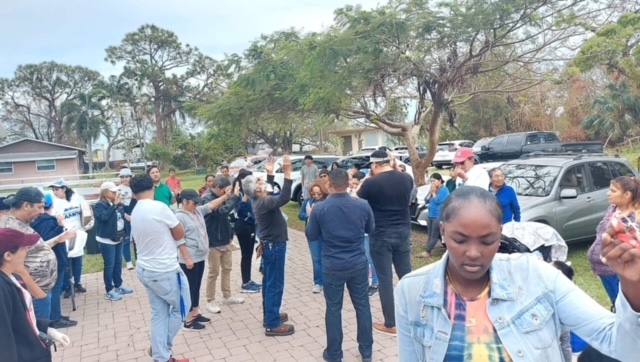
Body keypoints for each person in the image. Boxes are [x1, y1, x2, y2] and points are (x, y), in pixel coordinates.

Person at [395, 186, 640, 361]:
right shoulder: (412, 290)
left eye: (487, 240)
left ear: (500, 233)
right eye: (460, 239)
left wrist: (632, 285)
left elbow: (624, 348)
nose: (473, 253)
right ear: (443, 231)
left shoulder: (537, 276)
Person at [305, 169, 375, 362]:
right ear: (348, 183)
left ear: (329, 184)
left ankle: (334, 353)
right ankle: (366, 351)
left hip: (333, 265)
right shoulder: (362, 205)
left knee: (334, 309)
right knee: (362, 306)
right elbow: (371, 229)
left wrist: (311, 217)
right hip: (358, 263)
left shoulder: (320, 208)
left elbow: (311, 236)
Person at [130, 174, 191, 362]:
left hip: (145, 269)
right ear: (153, 188)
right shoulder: (160, 207)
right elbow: (179, 232)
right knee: (182, 308)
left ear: (133, 193)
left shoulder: (135, 211)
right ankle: (160, 349)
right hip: (165, 270)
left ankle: (161, 356)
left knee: (159, 314)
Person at [356, 150, 413, 335]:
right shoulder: (406, 178)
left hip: (381, 234)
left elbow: (356, 199)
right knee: (407, 276)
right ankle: (414, 316)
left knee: (385, 279)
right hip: (404, 231)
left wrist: (367, 179)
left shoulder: (371, 182)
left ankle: (391, 323)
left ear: (374, 165)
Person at [1, 187, 75, 321]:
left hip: (40, 290)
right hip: (34, 293)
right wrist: (39, 294)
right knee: (40, 335)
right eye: (40, 207)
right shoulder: (11, 229)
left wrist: (58, 239)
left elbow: (34, 249)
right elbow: (14, 268)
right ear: (26, 206)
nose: (42, 212)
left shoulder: (21, 224)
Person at [0, 228, 71, 362]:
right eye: (23, 248)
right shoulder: (2, 288)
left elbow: (22, 317)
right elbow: (3, 337)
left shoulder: (14, 277)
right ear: (8, 255)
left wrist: (46, 329)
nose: (27, 250)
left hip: (35, 350)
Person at [242, 155, 294, 336]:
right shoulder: (264, 202)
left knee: (269, 282)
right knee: (275, 284)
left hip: (269, 246)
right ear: (256, 189)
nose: (262, 181)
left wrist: (270, 174)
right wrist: (287, 171)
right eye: (260, 181)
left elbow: (269, 193)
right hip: (275, 247)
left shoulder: (260, 200)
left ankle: (270, 315)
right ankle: (272, 324)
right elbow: (284, 196)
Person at [175, 189, 229, 331]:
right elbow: (179, 240)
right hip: (189, 258)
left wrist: (226, 196)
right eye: (193, 203)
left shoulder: (197, 211)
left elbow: (210, 205)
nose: (196, 205)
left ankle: (195, 313)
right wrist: (187, 258)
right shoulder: (179, 217)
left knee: (196, 286)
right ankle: (188, 320)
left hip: (199, 256)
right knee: (189, 289)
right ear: (185, 202)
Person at [588, 176, 640, 307]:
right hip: (604, 270)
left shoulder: (634, 219)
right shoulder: (613, 209)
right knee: (617, 304)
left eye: (613, 191)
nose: (608, 193)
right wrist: (595, 263)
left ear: (627, 194)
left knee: (627, 307)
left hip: (620, 272)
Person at [30, 194, 77, 328]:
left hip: (44, 260)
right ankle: (55, 319)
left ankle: (56, 315)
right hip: (54, 259)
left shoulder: (35, 221)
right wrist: (59, 225)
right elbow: (50, 238)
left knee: (54, 290)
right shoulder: (48, 221)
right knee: (55, 290)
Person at [202, 176, 243, 314]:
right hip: (213, 241)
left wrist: (230, 235)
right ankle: (210, 300)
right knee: (214, 272)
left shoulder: (224, 196)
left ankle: (227, 296)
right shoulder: (207, 198)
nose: (229, 193)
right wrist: (233, 197)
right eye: (227, 190)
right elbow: (221, 212)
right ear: (218, 188)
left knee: (227, 268)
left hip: (225, 238)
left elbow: (227, 214)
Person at [49, 178, 91, 299]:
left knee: (78, 258)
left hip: (79, 232)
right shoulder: (54, 203)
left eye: (57, 189)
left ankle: (77, 282)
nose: (55, 192)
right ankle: (67, 285)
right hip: (65, 235)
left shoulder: (76, 197)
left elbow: (86, 211)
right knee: (67, 260)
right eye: (53, 190)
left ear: (64, 189)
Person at [94, 181, 134, 301]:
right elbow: (105, 217)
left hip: (118, 237)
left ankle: (118, 285)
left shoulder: (116, 203)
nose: (116, 193)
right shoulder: (99, 205)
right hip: (106, 239)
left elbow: (123, 214)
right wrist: (114, 206)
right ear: (105, 192)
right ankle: (109, 290)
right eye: (112, 191)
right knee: (109, 264)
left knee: (118, 262)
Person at [233, 169, 262, 294]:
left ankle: (248, 280)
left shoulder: (249, 193)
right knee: (246, 255)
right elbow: (238, 212)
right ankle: (245, 283)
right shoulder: (238, 194)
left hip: (250, 225)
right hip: (242, 226)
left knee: (249, 255)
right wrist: (244, 199)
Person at [299, 180, 329, 294]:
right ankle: (318, 282)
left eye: (319, 194)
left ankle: (328, 281)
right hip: (312, 233)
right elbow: (300, 215)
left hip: (326, 233)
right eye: (314, 193)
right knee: (316, 259)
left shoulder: (328, 202)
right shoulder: (308, 201)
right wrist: (308, 215)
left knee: (327, 257)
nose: (316, 196)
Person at [418, 173, 450, 259]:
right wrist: (430, 192)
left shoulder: (444, 190)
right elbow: (426, 200)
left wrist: (434, 193)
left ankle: (428, 251)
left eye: (434, 181)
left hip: (438, 215)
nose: (432, 182)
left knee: (434, 235)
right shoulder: (433, 189)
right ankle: (429, 248)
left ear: (440, 181)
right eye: (431, 181)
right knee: (431, 233)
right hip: (430, 214)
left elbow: (438, 201)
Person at [118, 167, 135, 269]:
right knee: (126, 239)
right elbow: (118, 204)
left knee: (137, 238)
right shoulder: (118, 189)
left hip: (135, 213)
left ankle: (139, 258)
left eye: (127, 177)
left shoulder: (134, 187)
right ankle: (128, 261)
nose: (125, 179)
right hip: (125, 215)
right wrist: (125, 215)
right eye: (122, 177)